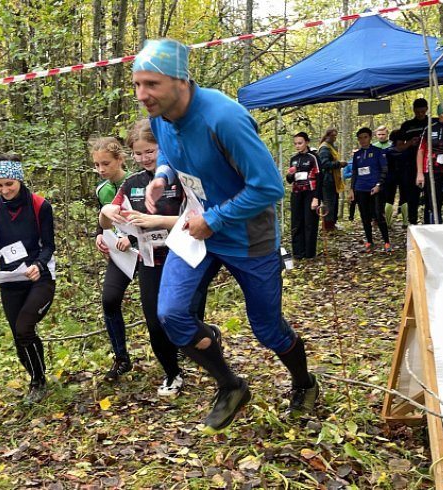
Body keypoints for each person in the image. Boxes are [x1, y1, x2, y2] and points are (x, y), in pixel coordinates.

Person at [133, 38, 318, 434]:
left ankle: (304, 383)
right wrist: (162, 176)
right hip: (198, 229)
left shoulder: (224, 118)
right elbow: (168, 150)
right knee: (172, 316)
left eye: (151, 84)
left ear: (181, 80)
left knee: (267, 329)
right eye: (137, 84)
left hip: (248, 236)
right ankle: (231, 386)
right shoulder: (160, 116)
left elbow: (269, 186)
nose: (142, 95)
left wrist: (215, 218)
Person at [98, 119, 186, 396]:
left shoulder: (181, 177)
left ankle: (205, 340)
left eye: (150, 151)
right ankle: (172, 373)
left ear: (162, 147)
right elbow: (107, 218)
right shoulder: (132, 184)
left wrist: (157, 220)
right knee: (154, 321)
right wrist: (107, 217)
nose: (144, 158)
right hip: (150, 260)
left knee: (182, 317)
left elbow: (196, 219)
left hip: (182, 257)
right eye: (138, 153)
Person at [0, 156, 56, 403]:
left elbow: (49, 245)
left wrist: (38, 265)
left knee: (24, 327)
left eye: (9, 183)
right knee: (19, 335)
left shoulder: (40, 205)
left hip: (39, 277)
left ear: (19, 179)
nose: (5, 190)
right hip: (9, 279)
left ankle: (38, 383)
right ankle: (37, 375)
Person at [92, 137, 134, 381]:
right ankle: (121, 358)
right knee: (109, 300)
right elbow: (103, 221)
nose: (101, 170)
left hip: (145, 251)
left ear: (120, 159)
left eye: (105, 164)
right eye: (97, 165)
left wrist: (133, 239)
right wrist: (100, 235)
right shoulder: (102, 190)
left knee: (160, 306)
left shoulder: (136, 182)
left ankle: (181, 345)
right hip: (119, 254)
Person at [349, 128, 391, 252]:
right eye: (360, 138)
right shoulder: (357, 155)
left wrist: (378, 185)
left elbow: (384, 170)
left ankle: (387, 242)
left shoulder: (378, 152)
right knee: (364, 216)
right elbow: (354, 172)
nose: (363, 140)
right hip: (360, 188)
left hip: (375, 188)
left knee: (378, 214)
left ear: (370, 137)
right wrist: (352, 189)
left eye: (365, 137)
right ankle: (369, 241)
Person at [286, 132, 321, 260]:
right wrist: (290, 174)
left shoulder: (313, 157)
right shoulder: (294, 159)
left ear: (307, 142)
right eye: (295, 144)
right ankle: (298, 253)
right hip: (296, 193)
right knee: (296, 222)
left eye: (300, 143)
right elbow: (290, 180)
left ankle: (309, 253)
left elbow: (319, 178)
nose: (297, 146)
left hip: (310, 193)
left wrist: (316, 198)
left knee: (309, 223)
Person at [384, 130, 419, 228]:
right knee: (404, 199)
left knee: (389, 199)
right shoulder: (408, 151)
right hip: (405, 176)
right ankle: (405, 222)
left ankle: (388, 223)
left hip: (390, 176)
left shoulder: (387, 151)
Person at [317, 128, 348, 232]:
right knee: (328, 202)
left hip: (334, 179)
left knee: (334, 202)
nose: (334, 138)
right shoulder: (324, 148)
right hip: (327, 179)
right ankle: (328, 226)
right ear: (327, 136)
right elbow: (324, 164)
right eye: (332, 136)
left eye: (336, 136)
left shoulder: (332, 147)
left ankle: (333, 223)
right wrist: (339, 164)